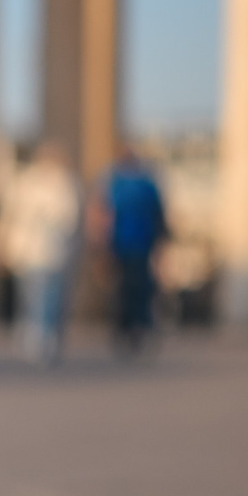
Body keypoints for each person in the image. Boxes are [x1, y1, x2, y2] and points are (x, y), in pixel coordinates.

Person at [0, 142, 81, 365]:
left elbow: (69, 219)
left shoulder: (63, 184)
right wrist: (0, 244)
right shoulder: (25, 183)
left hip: (51, 251)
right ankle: (35, 334)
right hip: (30, 251)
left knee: (48, 295)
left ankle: (43, 335)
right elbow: (9, 216)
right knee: (33, 294)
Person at [99, 143, 169, 355]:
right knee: (140, 288)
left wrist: (101, 245)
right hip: (140, 243)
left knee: (125, 288)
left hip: (123, 243)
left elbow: (104, 215)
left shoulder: (115, 184)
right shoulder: (146, 184)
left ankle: (127, 329)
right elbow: (160, 216)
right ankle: (138, 327)